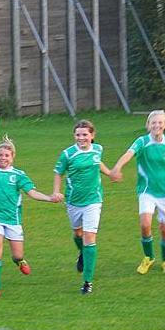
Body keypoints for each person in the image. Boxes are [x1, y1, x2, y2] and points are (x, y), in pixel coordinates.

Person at [0, 128, 59, 299]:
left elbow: (32, 192)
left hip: (13, 220)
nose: (3, 158)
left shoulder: (18, 175)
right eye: (0, 155)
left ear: (12, 157)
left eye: (6, 155)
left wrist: (49, 198)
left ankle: (19, 261)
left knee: (17, 254)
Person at [110, 110, 165, 275]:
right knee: (145, 224)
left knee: (164, 229)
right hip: (147, 191)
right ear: (148, 125)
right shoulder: (141, 142)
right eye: (153, 123)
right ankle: (148, 257)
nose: (157, 125)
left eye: (160, 122)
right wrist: (117, 167)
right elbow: (128, 154)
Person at [51, 120, 113, 294]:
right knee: (77, 233)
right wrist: (56, 192)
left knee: (89, 236)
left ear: (92, 135)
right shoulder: (68, 154)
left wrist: (110, 173)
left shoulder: (98, 149)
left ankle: (87, 282)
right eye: (78, 134)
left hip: (94, 200)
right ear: (74, 136)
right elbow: (58, 173)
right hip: (73, 201)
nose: (81, 138)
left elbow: (97, 163)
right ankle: (82, 253)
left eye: (85, 134)